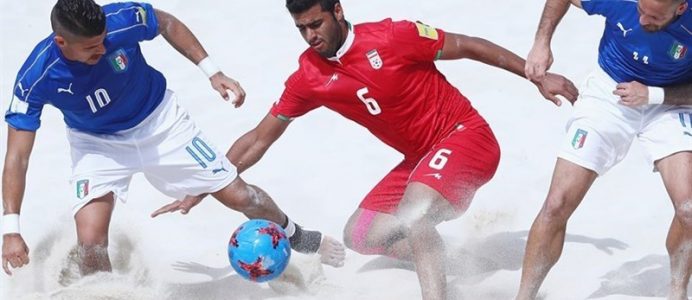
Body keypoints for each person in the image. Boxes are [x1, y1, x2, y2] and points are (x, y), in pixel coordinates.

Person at [155, 0, 578, 298]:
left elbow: (467, 44)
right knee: (359, 234)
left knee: (413, 215)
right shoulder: (310, 76)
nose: (310, 35)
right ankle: (448, 257)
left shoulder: (394, 36)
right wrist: (209, 181)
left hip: (465, 137)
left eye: (316, 23)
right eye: (301, 28)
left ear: (338, 10)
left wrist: (534, 75)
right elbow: (259, 137)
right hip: (418, 161)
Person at [1, 0, 345, 277]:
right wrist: (11, 229)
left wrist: (213, 72)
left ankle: (296, 235)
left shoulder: (121, 19)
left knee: (241, 195)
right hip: (97, 143)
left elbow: (166, 23)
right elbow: (17, 157)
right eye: (92, 47)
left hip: (160, 123)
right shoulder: (36, 77)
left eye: (104, 39)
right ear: (61, 42)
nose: (103, 49)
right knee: (90, 242)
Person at [516, 0, 692, 299]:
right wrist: (541, 43)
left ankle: (677, 291)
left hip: (669, 102)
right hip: (610, 91)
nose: (644, 20)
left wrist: (653, 95)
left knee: (689, 210)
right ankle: (524, 296)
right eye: (641, 12)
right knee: (556, 203)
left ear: (681, 8)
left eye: (655, 17)